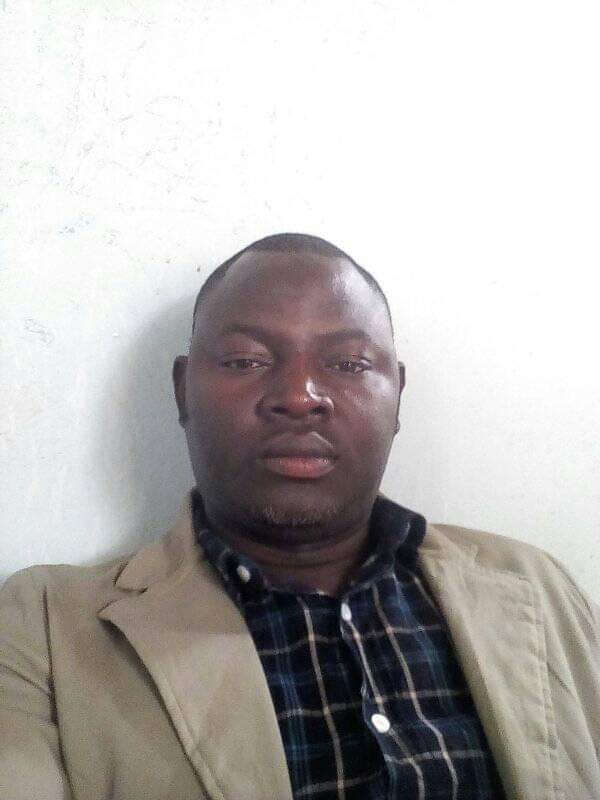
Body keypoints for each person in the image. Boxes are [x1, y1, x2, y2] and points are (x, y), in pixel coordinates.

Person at [0, 233, 598, 800]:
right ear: (183, 392)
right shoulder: (46, 625)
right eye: (246, 360)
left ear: (397, 394)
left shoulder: (535, 584)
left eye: (350, 363)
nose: (300, 395)